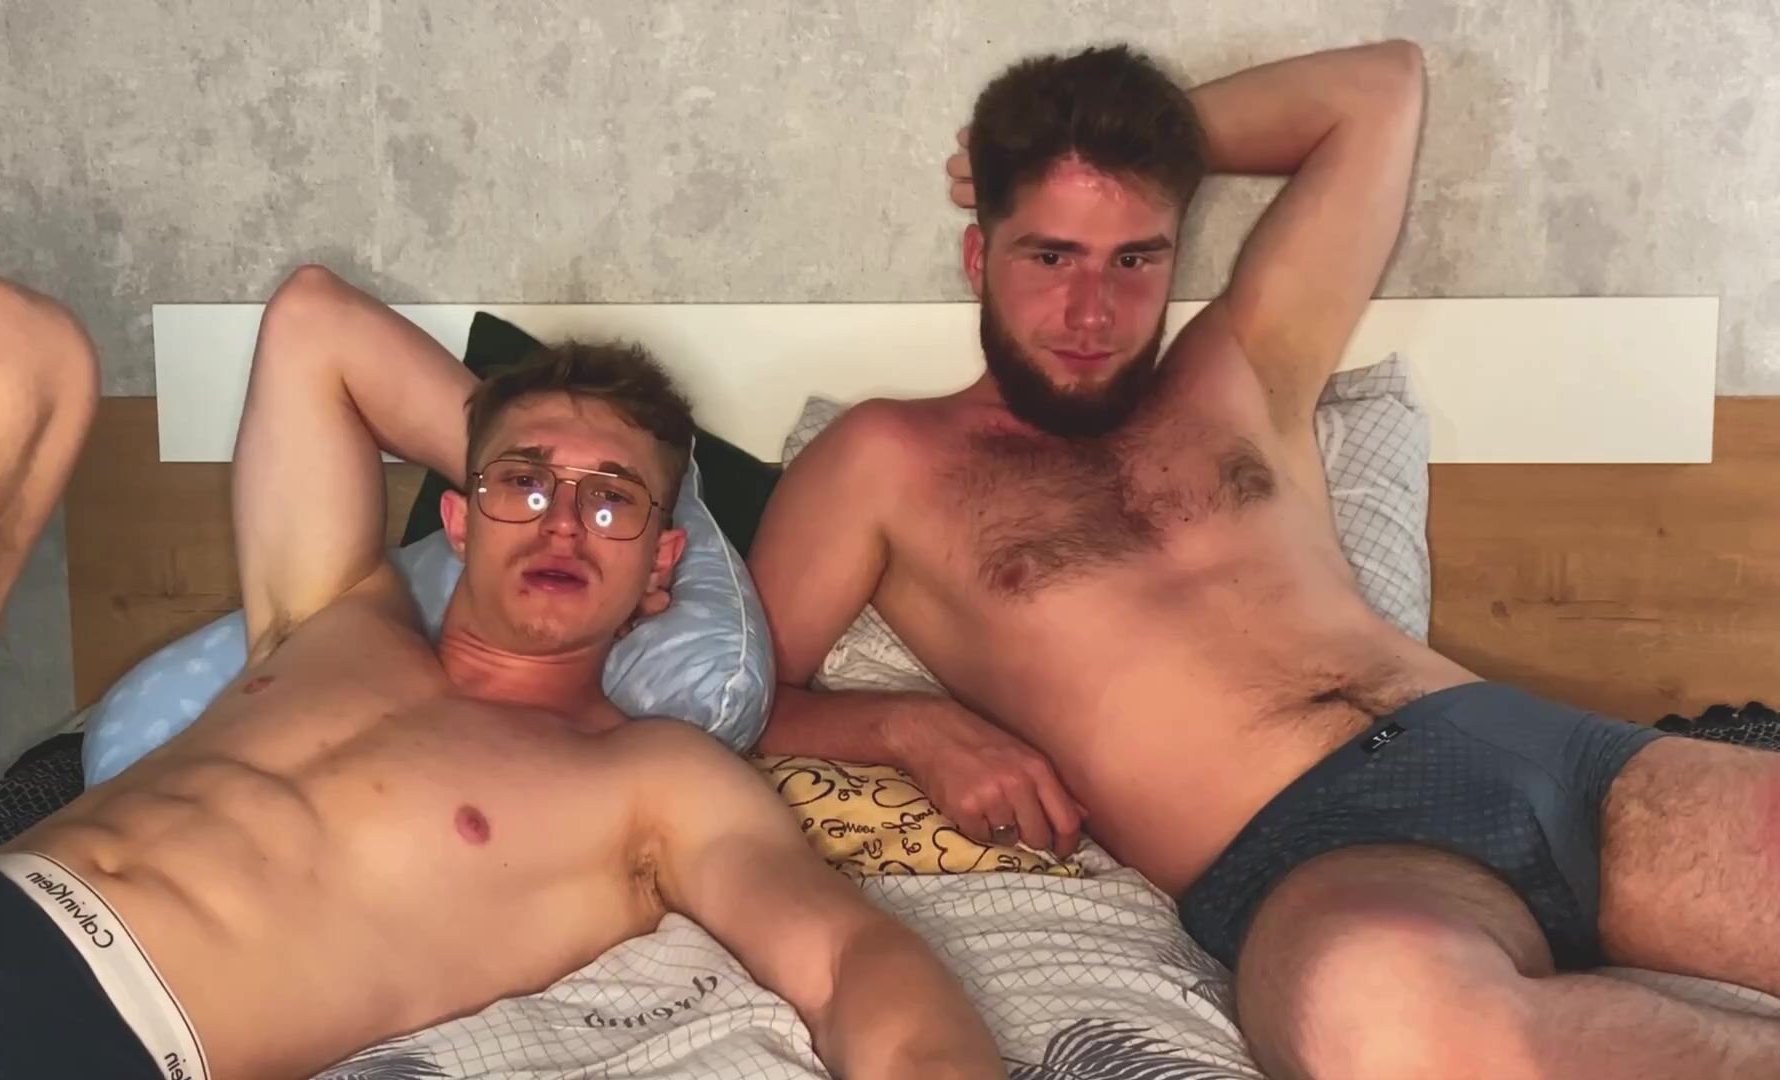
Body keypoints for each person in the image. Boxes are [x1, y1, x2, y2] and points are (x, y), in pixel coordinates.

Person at [747, 40, 1780, 1079]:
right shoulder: (885, 460)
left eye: (1135, 258)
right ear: (980, 260)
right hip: (1314, 860)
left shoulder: (1238, 365)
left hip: (1530, 751)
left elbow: (1379, 91)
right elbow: (728, 702)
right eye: (1051, 257)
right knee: (1396, 1033)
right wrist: (911, 727)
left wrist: (1136, 142)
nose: (1093, 313)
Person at [0, 265, 1002, 1080]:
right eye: (524, 486)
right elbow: (313, 321)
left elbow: (848, 959)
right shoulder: (331, 616)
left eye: (611, 502)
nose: (562, 524)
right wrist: (528, 454)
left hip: (74, 1039)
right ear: (457, 517)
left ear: (665, 565)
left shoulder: (653, 780)